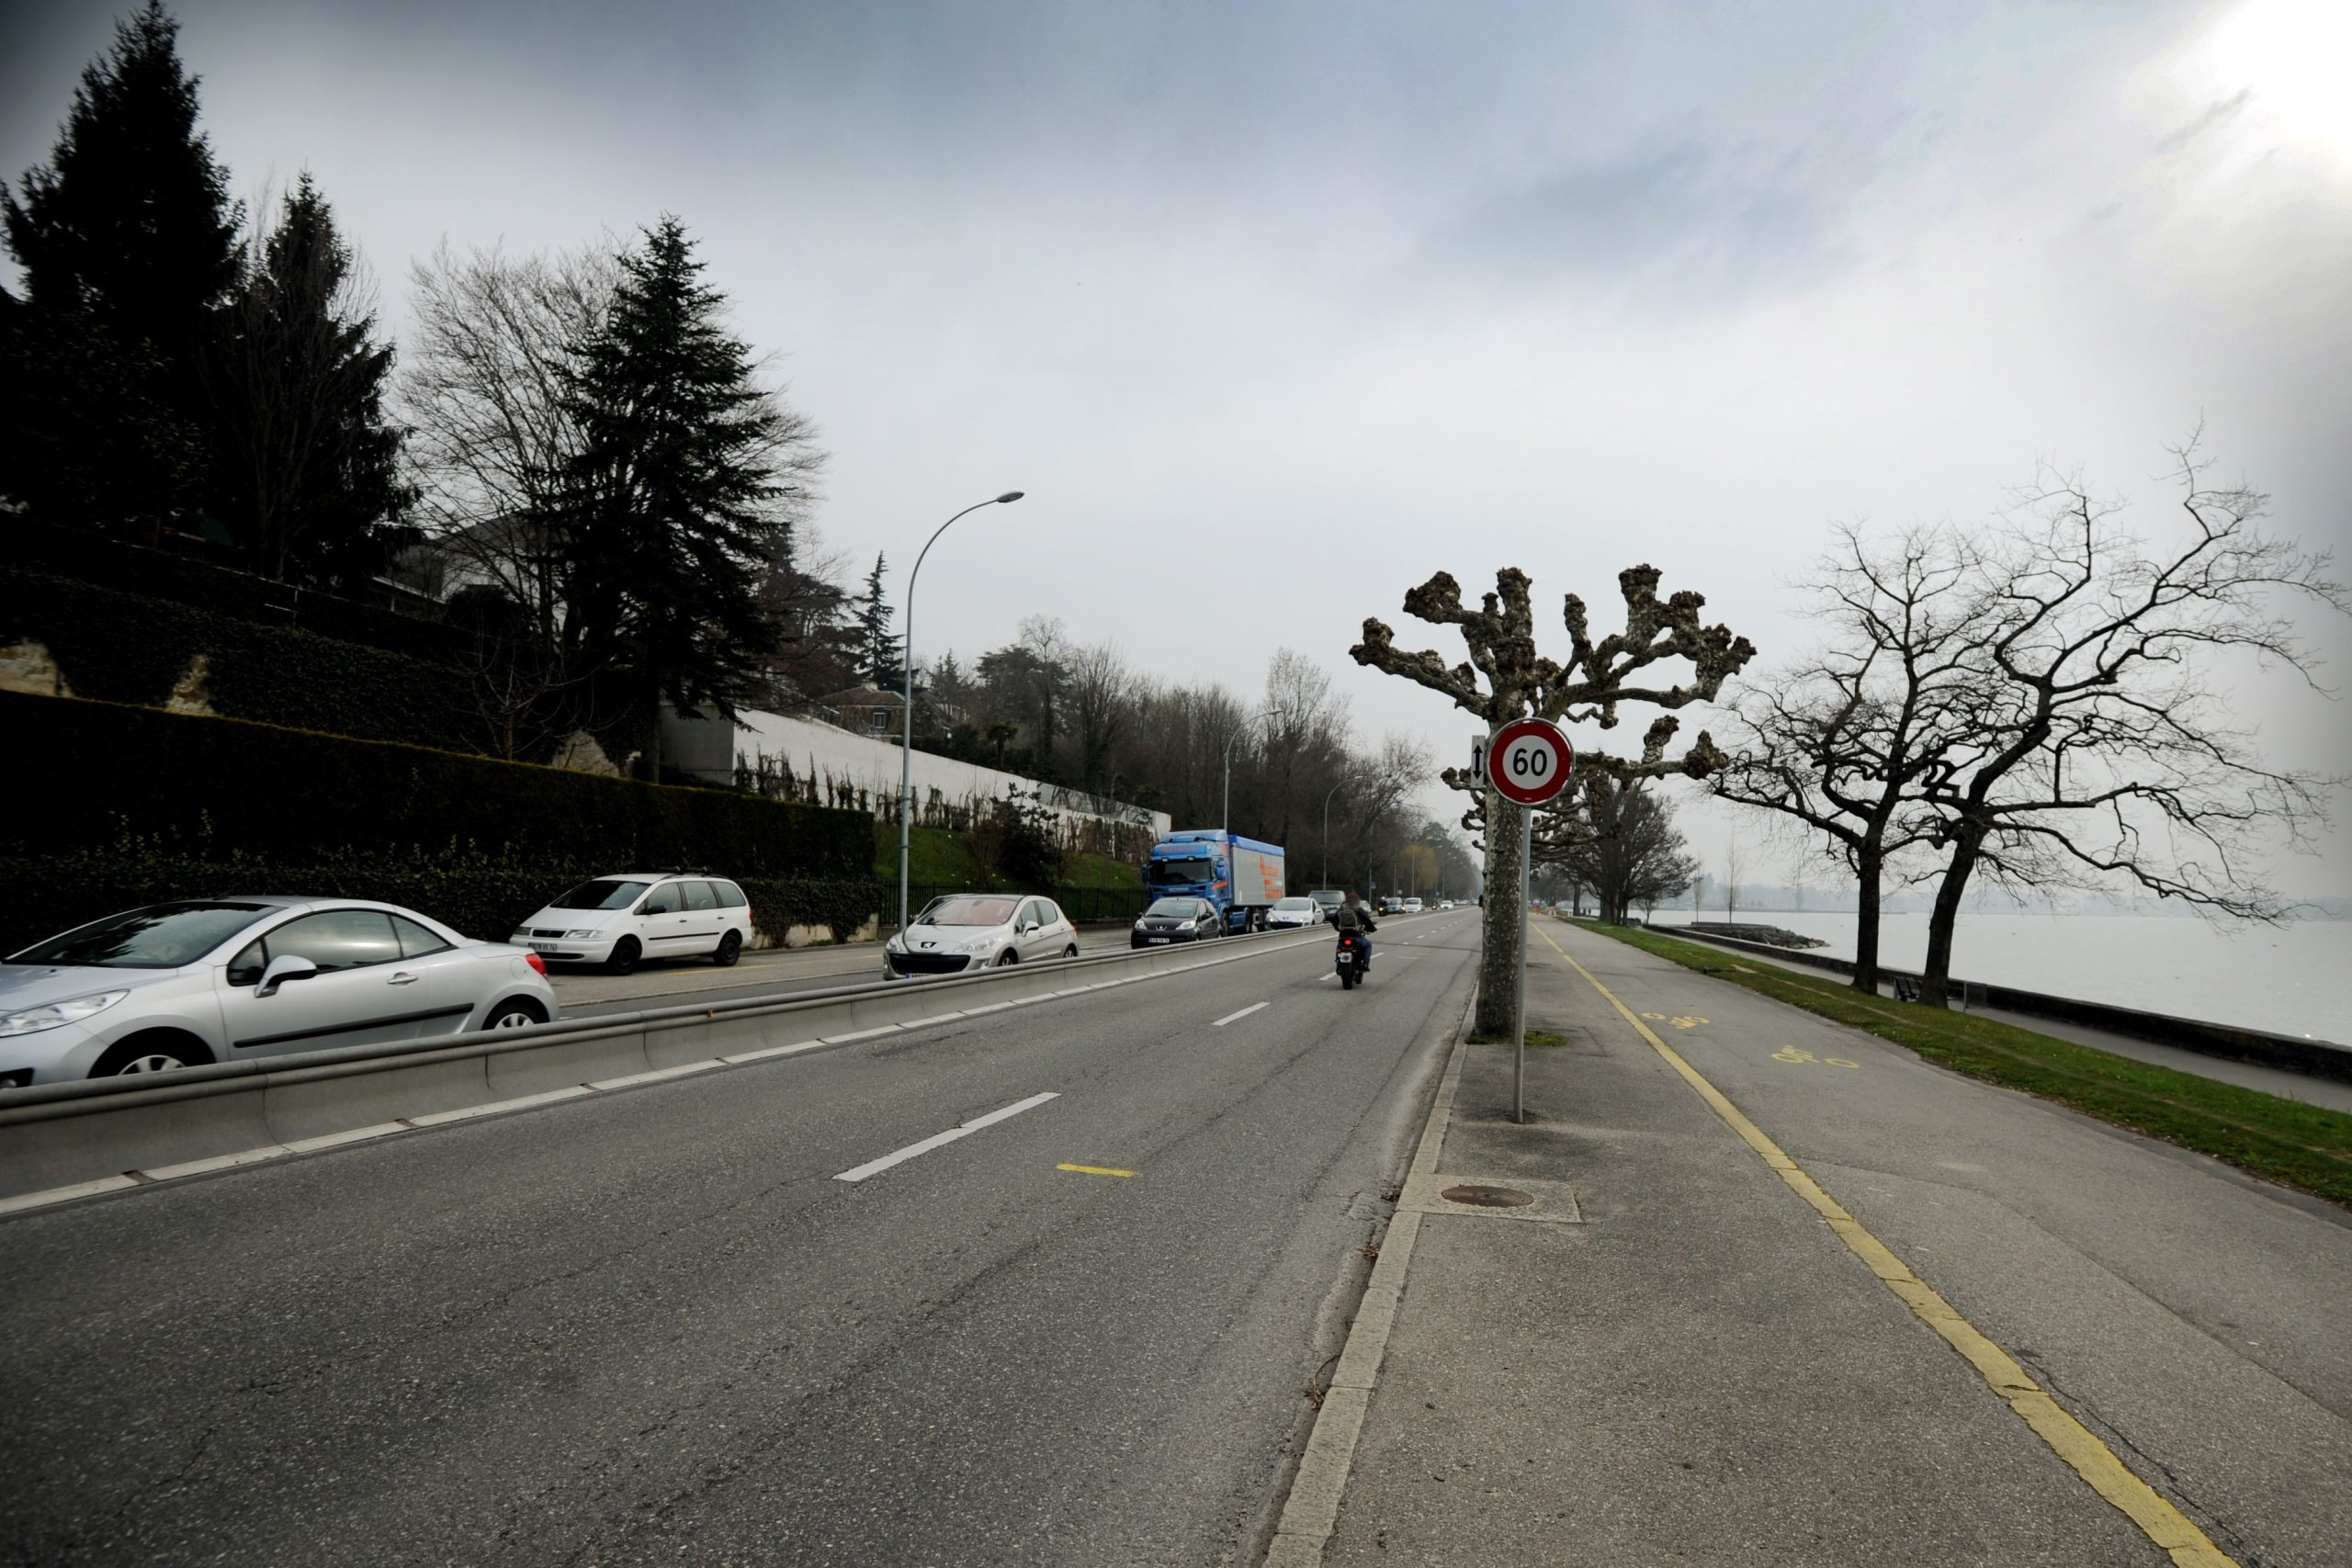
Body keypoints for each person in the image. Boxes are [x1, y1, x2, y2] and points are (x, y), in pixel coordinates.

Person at [1332, 891, 1375, 969]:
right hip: (1355, 936)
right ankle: (1365, 964)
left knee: (1340, 947)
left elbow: (1334, 920)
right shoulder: (1358, 909)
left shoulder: (1342, 909)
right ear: (1357, 900)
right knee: (1367, 945)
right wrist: (1371, 929)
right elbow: (1367, 920)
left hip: (1343, 935)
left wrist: (1338, 928)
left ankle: (1338, 961)